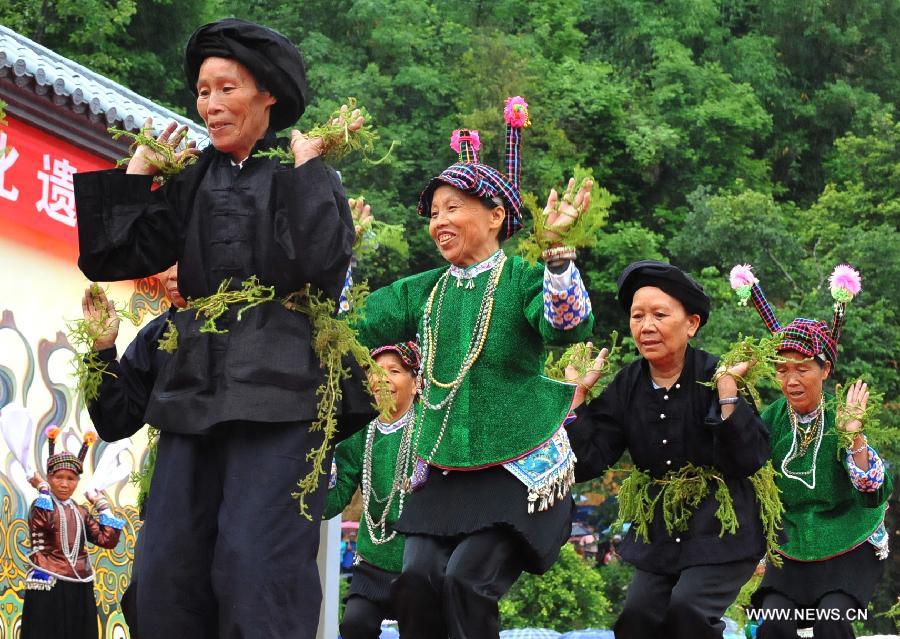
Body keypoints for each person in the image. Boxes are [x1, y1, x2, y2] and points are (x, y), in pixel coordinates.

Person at [72, 18, 374, 638]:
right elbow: (109, 258)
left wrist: (313, 166)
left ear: (267, 95)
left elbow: (318, 268)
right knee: (168, 572)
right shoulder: (190, 179)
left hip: (282, 391)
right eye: (203, 91)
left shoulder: (299, 173)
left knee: (255, 566)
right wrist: (139, 168)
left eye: (226, 88)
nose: (210, 104)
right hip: (192, 390)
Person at [354, 97, 595, 638]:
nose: (439, 221)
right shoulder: (423, 291)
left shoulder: (521, 279)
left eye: (452, 208)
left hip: (517, 463)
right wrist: (336, 254)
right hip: (443, 462)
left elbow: (567, 326)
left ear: (494, 217)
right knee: (414, 580)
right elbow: (355, 323)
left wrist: (558, 255)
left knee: (466, 580)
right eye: (434, 212)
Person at [566, 260, 772, 639]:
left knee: (688, 611)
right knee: (637, 619)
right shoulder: (628, 384)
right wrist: (575, 398)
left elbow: (750, 458)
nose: (646, 327)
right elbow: (589, 460)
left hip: (722, 529)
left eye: (660, 315)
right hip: (663, 533)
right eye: (638, 316)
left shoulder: (718, 374)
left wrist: (727, 394)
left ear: (691, 324)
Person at [732, 264, 892, 639]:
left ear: (825, 371)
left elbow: (871, 496)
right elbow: (744, 472)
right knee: (773, 621)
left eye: (802, 369)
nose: (791, 380)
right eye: (782, 370)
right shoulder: (771, 419)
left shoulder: (841, 417)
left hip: (847, 542)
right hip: (792, 548)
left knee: (830, 619)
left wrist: (855, 437)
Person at [324, 341, 421, 639]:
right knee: (355, 626)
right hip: (372, 560)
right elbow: (336, 498)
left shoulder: (430, 430)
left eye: (394, 371)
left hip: (417, 562)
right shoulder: (357, 434)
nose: (382, 379)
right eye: (376, 373)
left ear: (416, 384)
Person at [22, 427, 124, 639]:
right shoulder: (41, 505)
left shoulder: (81, 511)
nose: (64, 483)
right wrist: (41, 488)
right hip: (48, 581)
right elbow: (44, 522)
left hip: (79, 582)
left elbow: (107, 540)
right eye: (58, 477)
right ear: (49, 478)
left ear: (77, 481)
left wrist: (102, 504)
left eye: (71, 478)